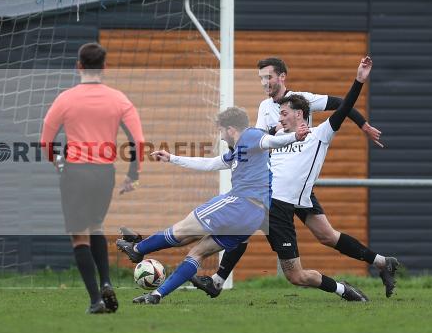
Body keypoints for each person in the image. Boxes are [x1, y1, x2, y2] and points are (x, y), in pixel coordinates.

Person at [192, 56, 400, 299]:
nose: (264, 83)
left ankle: (212, 275)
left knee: (323, 239)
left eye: (268, 77)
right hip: (277, 189)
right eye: (261, 78)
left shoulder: (313, 123)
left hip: (294, 190)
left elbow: (343, 106)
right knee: (253, 226)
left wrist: (360, 90)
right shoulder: (267, 111)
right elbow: (258, 140)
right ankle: (382, 262)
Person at [115, 106, 354, 305]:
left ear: (230, 129)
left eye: (220, 130)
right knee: (196, 251)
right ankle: (157, 294)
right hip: (251, 216)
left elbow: (270, 141)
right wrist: (173, 158)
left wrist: (293, 137)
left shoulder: (250, 136)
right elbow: (210, 164)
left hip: (239, 203)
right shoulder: (239, 150)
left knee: (182, 231)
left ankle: (138, 250)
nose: (219, 134)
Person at [41, 42, 144, 314]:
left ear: (79, 66)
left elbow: (46, 141)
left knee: (79, 237)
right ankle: (107, 281)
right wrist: (133, 174)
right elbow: (138, 140)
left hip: (76, 172)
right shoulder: (119, 99)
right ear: (105, 67)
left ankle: (96, 300)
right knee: (96, 226)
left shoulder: (65, 99)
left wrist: (59, 164)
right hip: (104, 174)